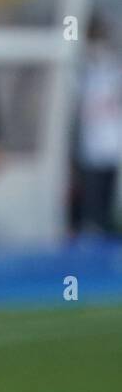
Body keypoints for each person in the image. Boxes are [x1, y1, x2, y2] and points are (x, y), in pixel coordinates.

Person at [74, 16, 121, 234]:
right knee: (93, 197)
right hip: (92, 146)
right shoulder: (81, 70)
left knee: (108, 196)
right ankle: (91, 228)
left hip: (111, 145)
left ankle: (105, 227)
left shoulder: (113, 68)